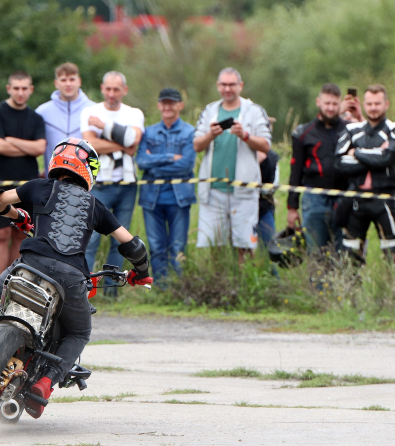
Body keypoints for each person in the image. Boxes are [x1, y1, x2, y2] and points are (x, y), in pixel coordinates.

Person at [0, 138, 153, 418]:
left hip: (31, 265)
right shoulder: (96, 205)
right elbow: (132, 245)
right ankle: (45, 382)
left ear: (55, 162)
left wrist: (19, 216)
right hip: (71, 278)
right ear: (89, 170)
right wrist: (141, 273)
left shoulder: (38, 186)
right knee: (79, 332)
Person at [193, 67, 271, 263]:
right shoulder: (210, 111)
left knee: (244, 245)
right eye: (224, 85)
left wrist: (245, 135)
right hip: (213, 190)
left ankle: (244, 280)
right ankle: (219, 280)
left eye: (232, 85)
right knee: (214, 245)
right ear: (218, 86)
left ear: (240, 86)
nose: (227, 89)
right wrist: (211, 135)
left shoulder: (254, 111)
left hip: (243, 190)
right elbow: (196, 145)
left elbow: (266, 145)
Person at [80, 71, 144, 294]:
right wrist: (123, 144)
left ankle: (111, 291)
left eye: (116, 89)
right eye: (108, 88)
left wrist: (104, 126)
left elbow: (134, 139)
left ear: (124, 90)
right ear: (102, 88)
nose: (111, 93)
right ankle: (84, 289)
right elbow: (91, 144)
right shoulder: (90, 111)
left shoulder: (134, 113)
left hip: (126, 185)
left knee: (121, 240)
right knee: (91, 238)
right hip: (100, 185)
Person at [0, 71, 46, 279]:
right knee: (1, 233)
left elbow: (39, 148)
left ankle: (13, 283)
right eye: (16, 88)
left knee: (21, 232)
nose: (20, 92)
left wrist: (10, 140)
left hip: (26, 184)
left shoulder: (36, 118)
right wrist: (26, 147)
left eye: (24, 88)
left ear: (31, 90)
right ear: (8, 89)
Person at [335, 84, 395, 263]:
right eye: (369, 104)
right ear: (364, 105)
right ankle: (349, 283)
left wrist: (356, 152)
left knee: (394, 254)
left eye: (377, 103)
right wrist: (376, 157)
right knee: (350, 256)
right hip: (356, 198)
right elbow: (339, 163)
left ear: (386, 104)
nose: (373, 108)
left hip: (385, 198)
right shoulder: (352, 129)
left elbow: (387, 158)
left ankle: (393, 283)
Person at [135, 88, 195, 278]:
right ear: (159, 105)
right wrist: (170, 157)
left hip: (179, 198)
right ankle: (160, 286)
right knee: (156, 245)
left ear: (180, 105)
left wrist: (154, 166)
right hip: (151, 198)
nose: (168, 106)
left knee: (178, 246)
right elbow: (141, 161)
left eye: (172, 103)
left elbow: (186, 165)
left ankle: (178, 286)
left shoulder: (190, 132)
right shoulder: (148, 132)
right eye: (164, 103)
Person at [286, 83, 348, 251]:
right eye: (327, 103)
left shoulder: (350, 130)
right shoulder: (303, 133)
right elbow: (295, 171)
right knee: (316, 253)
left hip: (344, 198)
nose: (330, 108)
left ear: (340, 104)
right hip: (314, 199)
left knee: (345, 254)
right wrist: (292, 207)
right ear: (318, 102)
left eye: (335, 104)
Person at [36, 62, 94, 170]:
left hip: (86, 176)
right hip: (53, 175)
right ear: (56, 83)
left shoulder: (93, 109)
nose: (68, 84)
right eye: (63, 80)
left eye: (72, 79)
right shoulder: (42, 111)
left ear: (79, 81)